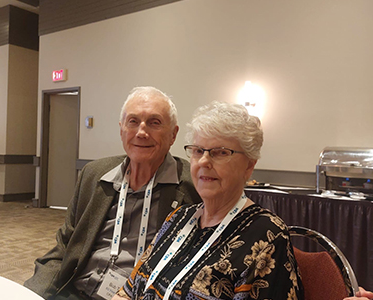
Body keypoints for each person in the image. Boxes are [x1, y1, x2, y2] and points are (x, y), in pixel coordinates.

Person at [113, 101, 304, 300]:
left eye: (220, 152)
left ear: (249, 165)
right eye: (198, 151)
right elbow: (128, 291)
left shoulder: (267, 236)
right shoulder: (178, 218)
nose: (204, 161)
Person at [24, 86, 201, 300]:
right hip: (76, 291)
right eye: (133, 122)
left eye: (154, 123)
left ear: (173, 134)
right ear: (121, 129)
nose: (141, 132)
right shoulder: (94, 174)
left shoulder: (194, 186)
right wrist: (31, 293)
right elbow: (64, 247)